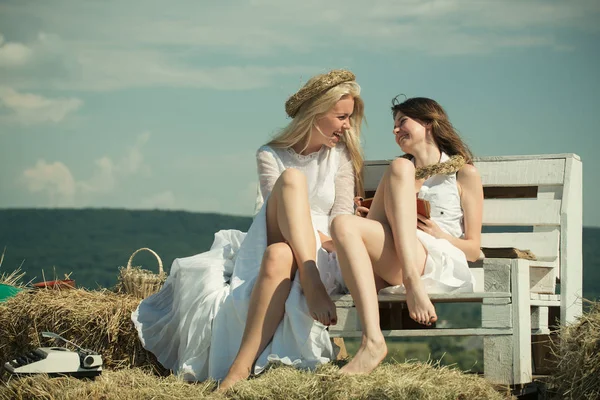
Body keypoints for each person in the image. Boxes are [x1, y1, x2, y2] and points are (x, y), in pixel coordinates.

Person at [131, 69, 365, 387]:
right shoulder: (270, 154)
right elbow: (277, 208)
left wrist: (334, 239)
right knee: (291, 182)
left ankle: (237, 372)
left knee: (279, 256)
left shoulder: (340, 158)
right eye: (341, 117)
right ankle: (309, 281)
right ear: (316, 113)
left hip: (320, 250)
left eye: (349, 118)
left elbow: (339, 218)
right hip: (274, 232)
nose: (347, 125)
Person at [330, 96, 483, 375]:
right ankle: (371, 341)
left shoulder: (464, 174)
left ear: (428, 123)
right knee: (343, 224)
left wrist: (440, 235)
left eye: (402, 122)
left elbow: (474, 250)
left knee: (399, 167)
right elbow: (376, 225)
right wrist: (366, 221)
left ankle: (412, 284)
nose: (395, 130)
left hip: (434, 260)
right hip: (397, 258)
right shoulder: (398, 172)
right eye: (394, 124)